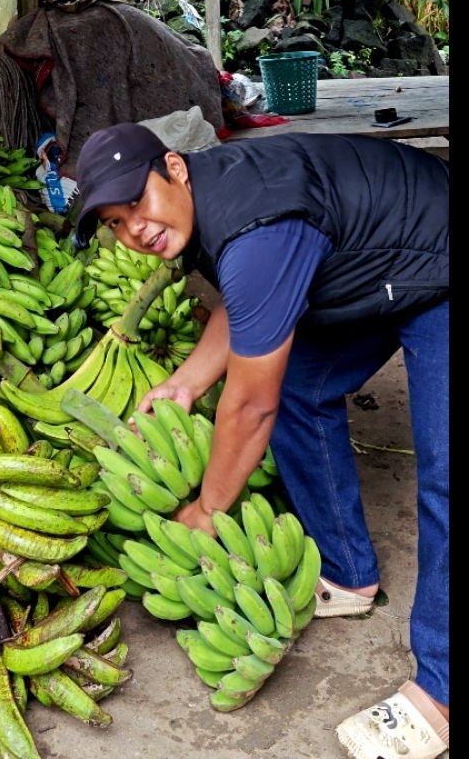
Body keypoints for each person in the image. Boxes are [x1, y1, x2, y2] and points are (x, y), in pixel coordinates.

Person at [72, 122, 449, 759]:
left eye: (136, 201)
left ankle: (440, 694)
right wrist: (187, 383)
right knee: (304, 387)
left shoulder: (253, 223)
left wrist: (209, 508)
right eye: (115, 222)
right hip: (380, 264)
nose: (133, 229)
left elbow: (250, 407)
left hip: (438, 250)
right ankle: (348, 575)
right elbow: (248, 300)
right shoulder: (214, 202)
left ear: (174, 169)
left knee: (445, 473)